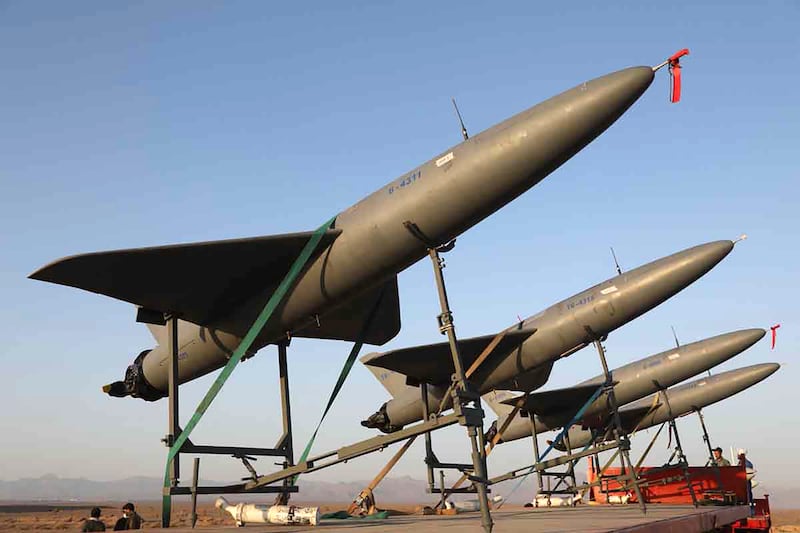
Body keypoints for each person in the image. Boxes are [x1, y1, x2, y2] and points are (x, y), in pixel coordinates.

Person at [737, 449, 755, 513]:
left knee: (748, 497)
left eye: (738, 454)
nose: (737, 455)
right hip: (742, 485)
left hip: (746, 485)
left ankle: (751, 511)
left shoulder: (747, 464)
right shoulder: (740, 463)